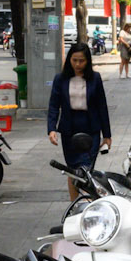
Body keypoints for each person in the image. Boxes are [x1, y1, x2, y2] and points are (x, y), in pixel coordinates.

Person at [47, 42, 112, 182]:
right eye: (74, 60)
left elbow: (102, 106)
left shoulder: (95, 78)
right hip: (69, 129)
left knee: (86, 171)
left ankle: (87, 201)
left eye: (81, 61)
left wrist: (107, 135)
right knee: (72, 171)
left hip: (91, 128)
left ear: (87, 61)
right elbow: (53, 105)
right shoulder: (60, 79)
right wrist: (51, 129)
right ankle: (75, 203)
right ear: (69, 59)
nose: (77, 64)